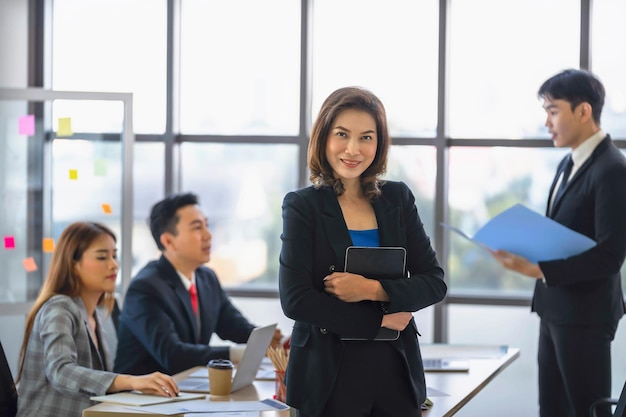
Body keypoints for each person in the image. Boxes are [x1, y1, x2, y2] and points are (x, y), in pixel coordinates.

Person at [278, 86, 447, 417]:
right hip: (326, 375)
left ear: (379, 143)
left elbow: (434, 282)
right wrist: (379, 319)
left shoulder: (397, 198)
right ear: (324, 137)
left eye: (366, 137)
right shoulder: (302, 206)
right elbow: (295, 299)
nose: (353, 149)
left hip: (395, 370)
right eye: (342, 134)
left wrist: (371, 289)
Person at [492, 69, 626, 417]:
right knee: (551, 409)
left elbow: (610, 255)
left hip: (584, 314)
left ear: (583, 111)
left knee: (587, 410)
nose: (547, 122)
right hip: (555, 308)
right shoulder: (569, 162)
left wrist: (539, 269)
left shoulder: (612, 169)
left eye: (553, 111)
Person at [16, 222, 178, 417]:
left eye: (114, 255)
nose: (113, 264)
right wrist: (132, 381)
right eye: (102, 257)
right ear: (73, 264)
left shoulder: (96, 314)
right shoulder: (59, 308)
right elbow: (60, 371)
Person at [114, 192, 283, 376]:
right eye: (197, 228)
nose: (208, 235)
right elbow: (172, 355)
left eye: (206, 225)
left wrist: (270, 342)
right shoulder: (145, 288)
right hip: (139, 398)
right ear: (169, 241)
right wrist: (237, 354)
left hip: (184, 391)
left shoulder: (206, 278)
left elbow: (234, 326)